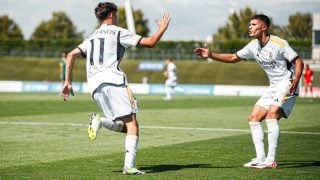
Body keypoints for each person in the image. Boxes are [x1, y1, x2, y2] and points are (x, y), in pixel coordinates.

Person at [61, 2, 170, 175]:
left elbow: (71, 55)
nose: (118, 17)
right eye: (117, 14)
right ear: (111, 15)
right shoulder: (119, 32)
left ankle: (102, 122)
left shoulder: (91, 36)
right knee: (133, 125)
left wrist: (67, 81)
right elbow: (150, 42)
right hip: (114, 81)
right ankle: (128, 166)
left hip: (95, 87)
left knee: (126, 127)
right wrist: (162, 28)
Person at [194, 14, 304, 169]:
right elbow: (233, 57)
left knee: (272, 115)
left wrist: (296, 80)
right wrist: (210, 55)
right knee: (254, 118)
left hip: (287, 84)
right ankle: (260, 158)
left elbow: (299, 61)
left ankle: (271, 160)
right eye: (249, 24)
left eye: (253, 24)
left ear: (264, 27)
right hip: (273, 87)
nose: (250, 27)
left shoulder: (279, 43)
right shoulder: (253, 45)